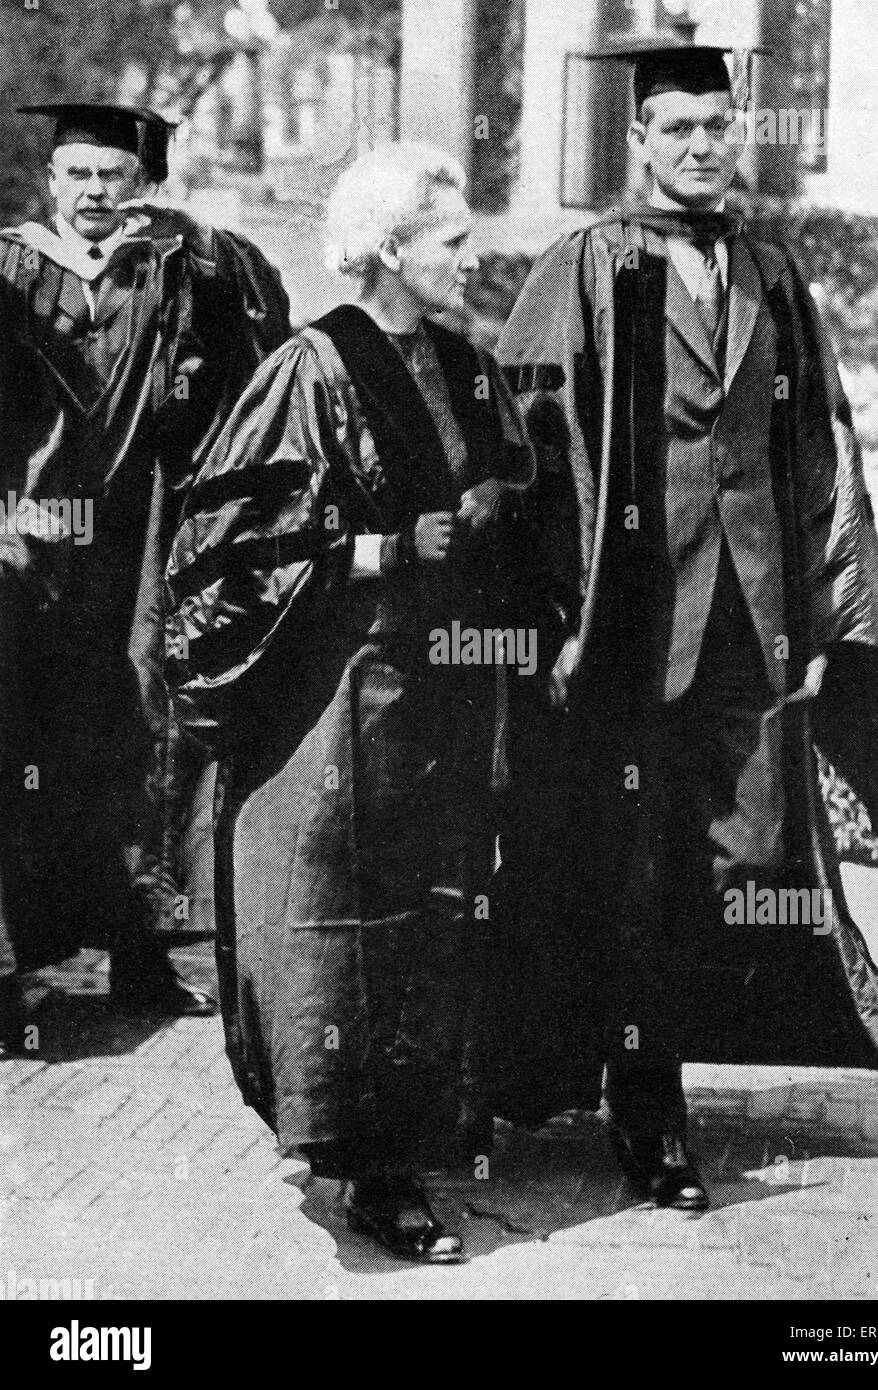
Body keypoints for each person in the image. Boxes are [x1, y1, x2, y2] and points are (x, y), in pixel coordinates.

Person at [493, 41, 878, 1210]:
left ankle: (665, 1062)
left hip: (752, 627)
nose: (700, 145)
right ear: (637, 140)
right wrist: (556, 621)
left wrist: (822, 618)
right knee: (635, 867)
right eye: (676, 128)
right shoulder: (585, 266)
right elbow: (531, 456)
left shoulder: (770, 271)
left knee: (745, 860)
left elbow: (818, 449)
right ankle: (650, 1113)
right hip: (632, 626)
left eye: (717, 126)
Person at [165, 142, 536, 1263]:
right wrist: (378, 545)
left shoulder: (466, 362)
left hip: (448, 690)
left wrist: (496, 504)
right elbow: (226, 538)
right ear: (388, 248)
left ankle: (417, 1137)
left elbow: (513, 476)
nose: (471, 259)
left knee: (434, 910)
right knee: (347, 926)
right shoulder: (312, 366)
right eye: (451, 241)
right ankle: (371, 1166)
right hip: (347, 692)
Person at [0, 102, 290, 1050]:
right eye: (76, 175)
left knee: (139, 735)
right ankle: (15, 967)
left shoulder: (178, 269)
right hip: (26, 546)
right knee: (22, 741)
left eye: (111, 176)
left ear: (140, 183)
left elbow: (237, 379)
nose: (92, 193)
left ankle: (139, 949)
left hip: (139, 543)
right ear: (50, 180)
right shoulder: (10, 267)